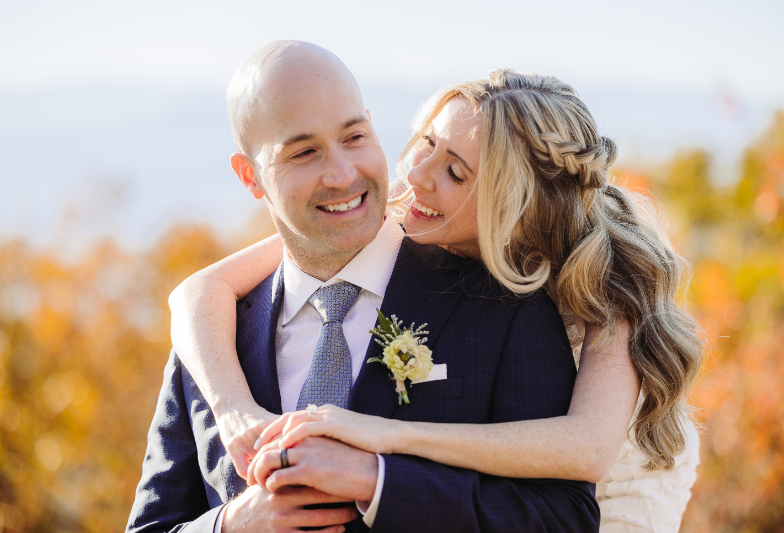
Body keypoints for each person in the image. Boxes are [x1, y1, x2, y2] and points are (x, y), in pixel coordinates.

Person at [167, 60, 703, 532]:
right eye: (427, 143)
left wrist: (380, 442)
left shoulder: (606, 286)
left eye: (455, 172)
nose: (418, 177)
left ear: (508, 204)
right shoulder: (404, 208)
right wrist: (233, 409)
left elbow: (588, 449)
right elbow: (198, 290)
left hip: (622, 488)